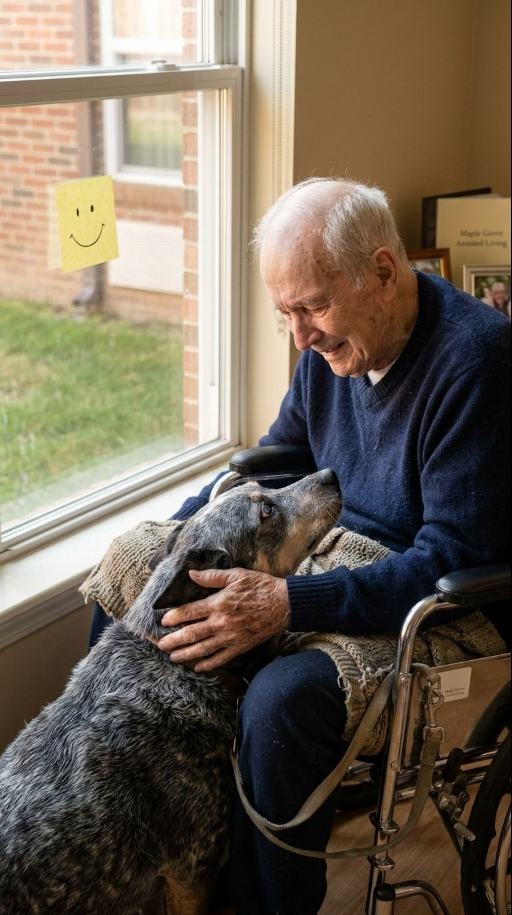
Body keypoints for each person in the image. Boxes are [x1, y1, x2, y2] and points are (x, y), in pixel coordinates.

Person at [89, 177, 511, 915]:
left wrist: (287, 601)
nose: (301, 337)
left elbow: (446, 559)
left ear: (382, 272)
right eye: (286, 312)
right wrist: (178, 540)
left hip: (438, 610)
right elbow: (278, 457)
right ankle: (132, 841)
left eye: (312, 307)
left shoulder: (475, 362)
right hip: (330, 559)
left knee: (281, 702)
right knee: (136, 575)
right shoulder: (333, 345)